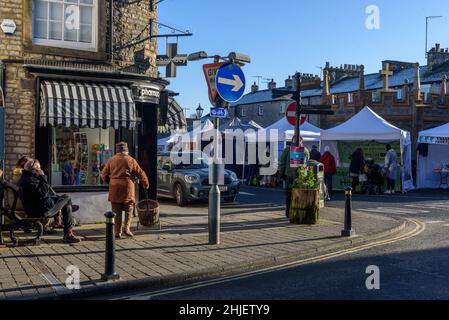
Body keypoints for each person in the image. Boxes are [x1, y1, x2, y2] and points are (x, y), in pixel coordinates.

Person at [17, 159, 81, 243]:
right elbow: (44, 193)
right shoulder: (30, 181)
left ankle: (68, 233)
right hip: (41, 210)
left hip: (39, 206)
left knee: (66, 205)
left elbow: (42, 194)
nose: (41, 170)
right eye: (39, 169)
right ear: (34, 170)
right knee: (67, 197)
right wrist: (43, 176)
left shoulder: (26, 178)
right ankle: (68, 234)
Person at [101, 142, 149, 239]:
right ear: (126, 150)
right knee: (129, 208)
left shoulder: (111, 160)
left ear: (117, 150)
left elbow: (103, 174)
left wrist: (108, 181)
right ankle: (126, 228)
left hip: (114, 187)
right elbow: (140, 173)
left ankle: (117, 232)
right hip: (127, 187)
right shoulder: (131, 160)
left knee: (116, 210)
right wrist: (145, 183)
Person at [279, 136, 310, 218]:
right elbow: (307, 162)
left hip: (289, 175)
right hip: (301, 176)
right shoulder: (305, 150)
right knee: (300, 195)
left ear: (292, 140)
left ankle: (288, 213)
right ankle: (299, 213)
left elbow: (282, 162)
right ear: (301, 141)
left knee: (289, 195)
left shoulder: (287, 150)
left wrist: (281, 173)